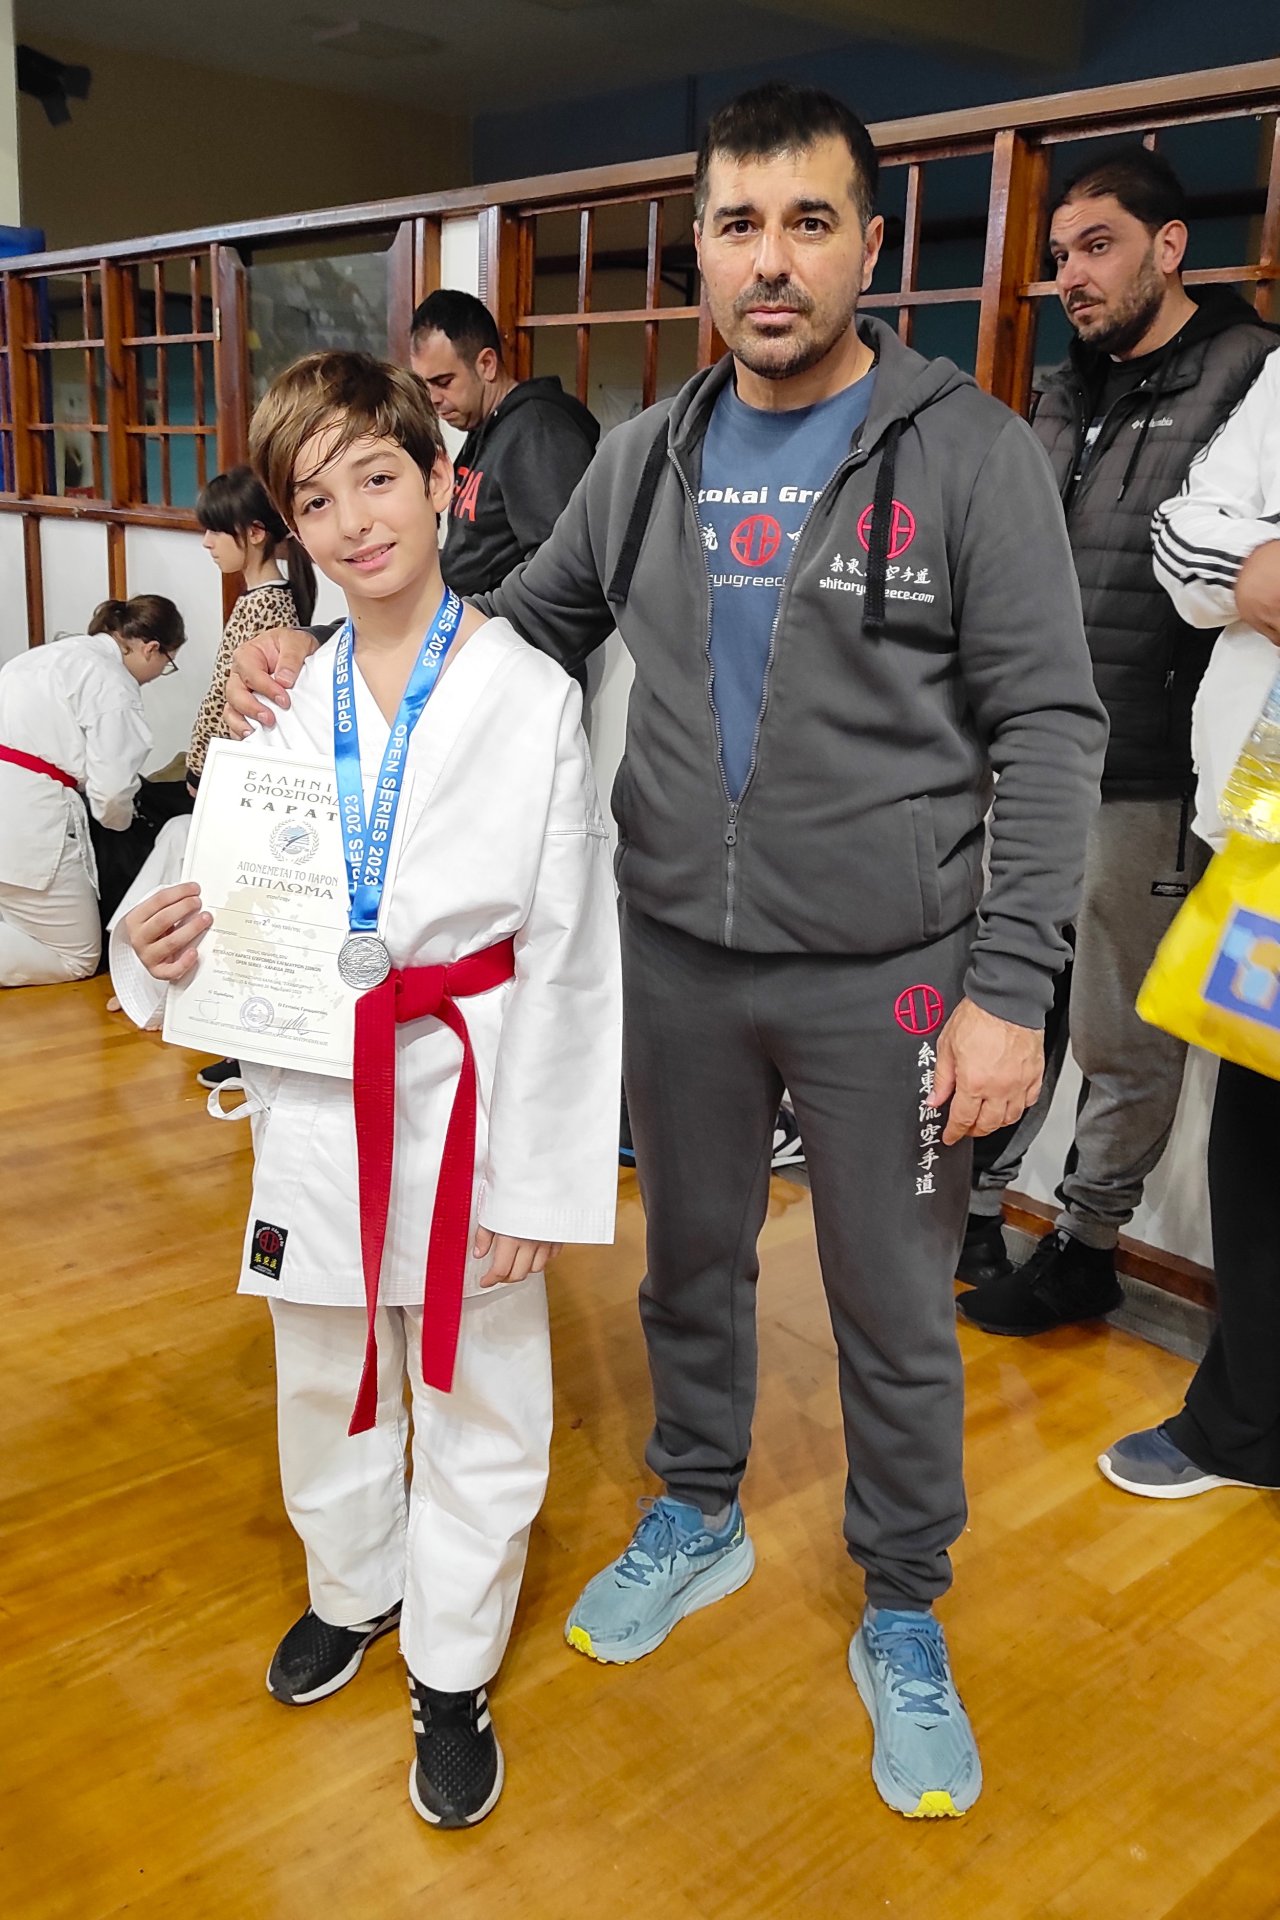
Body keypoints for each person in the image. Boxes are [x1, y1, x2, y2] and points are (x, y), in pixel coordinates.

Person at [223, 84, 1107, 1820]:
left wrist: (1008, 989)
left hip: (892, 972)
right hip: (680, 961)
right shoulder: (647, 459)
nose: (771, 262)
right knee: (687, 1265)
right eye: (737, 226)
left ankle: (904, 1604)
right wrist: (298, 651)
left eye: (806, 223)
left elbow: (1054, 724)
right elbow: (503, 640)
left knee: (890, 1304)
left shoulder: (967, 453)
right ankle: (697, 1507)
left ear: (868, 245)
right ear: (699, 252)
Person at [113, 350, 621, 1829]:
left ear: (446, 484)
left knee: (478, 1386)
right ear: (291, 530)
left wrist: (542, 1177)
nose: (355, 522)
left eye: (379, 479)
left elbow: (570, 951)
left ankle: (451, 1665)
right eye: (315, 501)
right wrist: (161, 939)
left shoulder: (531, 692)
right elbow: (213, 879)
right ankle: (355, 1587)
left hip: (470, 1090)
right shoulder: (279, 698)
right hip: (317, 1091)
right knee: (322, 1362)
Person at [957, 147, 1278, 1335]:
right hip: (1028, 747)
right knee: (1006, 991)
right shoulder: (1061, 387)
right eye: (1057, 257)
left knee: (1116, 1029)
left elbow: (1214, 560)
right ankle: (974, 1208)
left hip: (1147, 759)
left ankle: (1086, 1243)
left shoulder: (1245, 373)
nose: (1071, 278)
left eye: (1096, 247)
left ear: (1169, 246)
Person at [1098, 346, 1280, 1497]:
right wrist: (1256, 570)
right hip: (1267, 842)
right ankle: (1246, 1423)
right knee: (1258, 1129)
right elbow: (1179, 537)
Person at [187, 464, 318, 1095]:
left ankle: (252, 1043)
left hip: (240, 780)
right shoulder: (257, 600)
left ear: (257, 533)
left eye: (218, 530)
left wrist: (210, 770)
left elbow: (244, 709)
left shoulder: (270, 607)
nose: (208, 543)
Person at [0, 595, 186, 987]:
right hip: (30, 818)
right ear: (151, 648)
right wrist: (122, 825)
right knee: (78, 956)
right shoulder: (112, 682)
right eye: (167, 663)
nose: (158, 674)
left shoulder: (45, 656)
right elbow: (112, 794)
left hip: (13, 803)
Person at [408, 287, 599, 598]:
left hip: (500, 624)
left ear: (486, 364)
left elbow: (563, 570)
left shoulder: (538, 432)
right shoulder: (487, 427)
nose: (433, 399)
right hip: (462, 615)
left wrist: (492, 617)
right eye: (425, 385)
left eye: (444, 382)